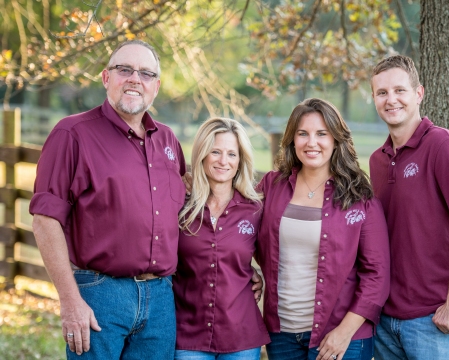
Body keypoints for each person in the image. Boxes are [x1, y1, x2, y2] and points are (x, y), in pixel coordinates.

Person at [29, 40, 187, 359]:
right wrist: (70, 300)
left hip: (160, 299)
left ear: (156, 87)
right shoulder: (72, 134)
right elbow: (45, 221)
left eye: (145, 73)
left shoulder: (168, 140)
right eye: (124, 69)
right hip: (100, 295)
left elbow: (188, 212)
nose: (134, 79)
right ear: (105, 78)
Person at [369, 55, 449, 359]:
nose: (391, 100)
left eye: (399, 90)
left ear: (419, 93)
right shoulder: (378, 160)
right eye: (382, 93)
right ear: (374, 99)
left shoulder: (442, 146)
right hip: (387, 321)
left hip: (438, 322)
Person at [256, 98, 391, 360]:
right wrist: (245, 271)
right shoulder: (272, 185)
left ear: (336, 139)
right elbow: (240, 232)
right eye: (303, 134)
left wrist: (344, 332)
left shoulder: (360, 198)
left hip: (342, 337)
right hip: (282, 335)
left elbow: (377, 275)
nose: (311, 142)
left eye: (321, 134)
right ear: (292, 140)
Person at [172, 117, 270, 360]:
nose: (223, 161)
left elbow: (274, 258)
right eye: (215, 152)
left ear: (240, 161)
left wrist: (259, 277)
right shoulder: (178, 205)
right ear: (202, 154)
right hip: (187, 334)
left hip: (242, 336)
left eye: (232, 154)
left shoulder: (256, 209)